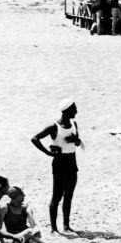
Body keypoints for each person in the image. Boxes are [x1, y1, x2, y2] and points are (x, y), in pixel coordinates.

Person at [31, 98, 83, 234]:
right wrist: (48, 153)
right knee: (57, 196)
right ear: (67, 111)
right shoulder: (54, 127)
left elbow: (76, 143)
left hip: (72, 160)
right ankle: (54, 228)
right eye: (74, 109)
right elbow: (35, 139)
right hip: (59, 162)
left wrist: (77, 140)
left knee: (69, 194)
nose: (76, 111)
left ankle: (66, 225)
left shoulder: (74, 124)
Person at [0, 187, 64, 243]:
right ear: (17, 197)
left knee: (33, 241)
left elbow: (33, 225)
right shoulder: (5, 208)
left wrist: (29, 211)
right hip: (14, 238)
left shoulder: (25, 207)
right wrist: (3, 241)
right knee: (30, 231)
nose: (24, 196)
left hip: (28, 237)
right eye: (22, 194)